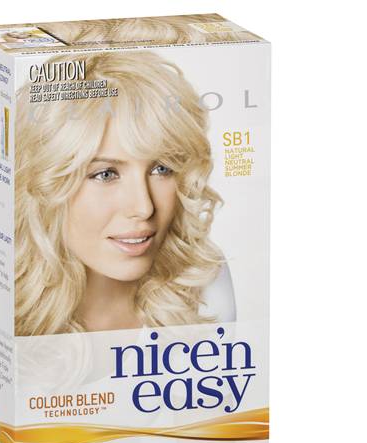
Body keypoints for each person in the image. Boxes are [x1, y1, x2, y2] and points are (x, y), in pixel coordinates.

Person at [15, 50, 233, 336]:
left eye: (162, 168)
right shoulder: (0, 297)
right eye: (106, 174)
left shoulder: (202, 284)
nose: (144, 207)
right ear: (43, 181)